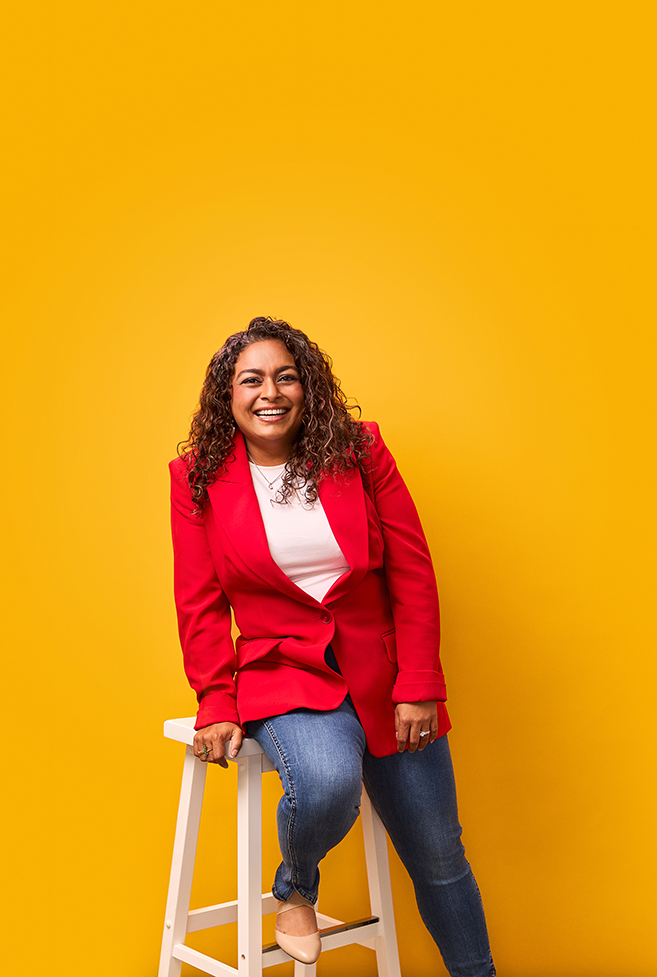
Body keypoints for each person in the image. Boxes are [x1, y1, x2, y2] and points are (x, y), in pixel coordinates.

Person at [169, 317, 495, 977]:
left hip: (385, 673)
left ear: (307, 386)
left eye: (285, 377)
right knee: (325, 783)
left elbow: (411, 569)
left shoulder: (359, 451)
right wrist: (216, 700)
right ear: (227, 395)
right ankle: (296, 888)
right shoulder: (196, 477)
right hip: (283, 672)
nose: (270, 393)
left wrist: (419, 683)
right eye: (251, 380)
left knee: (439, 855)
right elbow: (199, 600)